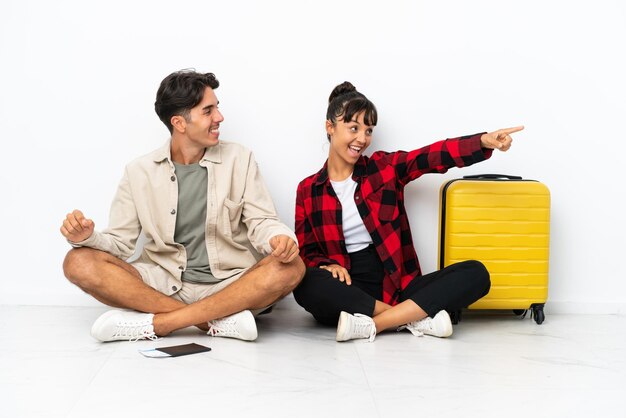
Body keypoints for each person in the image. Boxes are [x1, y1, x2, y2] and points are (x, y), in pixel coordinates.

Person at [61, 70, 305, 342]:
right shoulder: (139, 172)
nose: (219, 118)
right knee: (78, 261)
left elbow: (262, 220)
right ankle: (212, 322)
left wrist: (279, 238)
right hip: (162, 284)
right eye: (208, 111)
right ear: (179, 122)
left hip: (230, 283)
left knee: (293, 267)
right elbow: (121, 243)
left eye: (217, 108)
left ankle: (159, 324)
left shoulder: (239, 159)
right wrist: (87, 238)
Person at [293, 81, 523, 342]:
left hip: (397, 285)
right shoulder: (308, 189)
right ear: (330, 127)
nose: (362, 139)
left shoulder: (383, 168)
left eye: (368, 130)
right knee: (304, 283)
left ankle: (375, 324)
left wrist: (483, 142)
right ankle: (410, 318)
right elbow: (307, 252)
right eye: (353, 128)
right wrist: (326, 264)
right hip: (348, 290)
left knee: (476, 274)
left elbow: (431, 156)